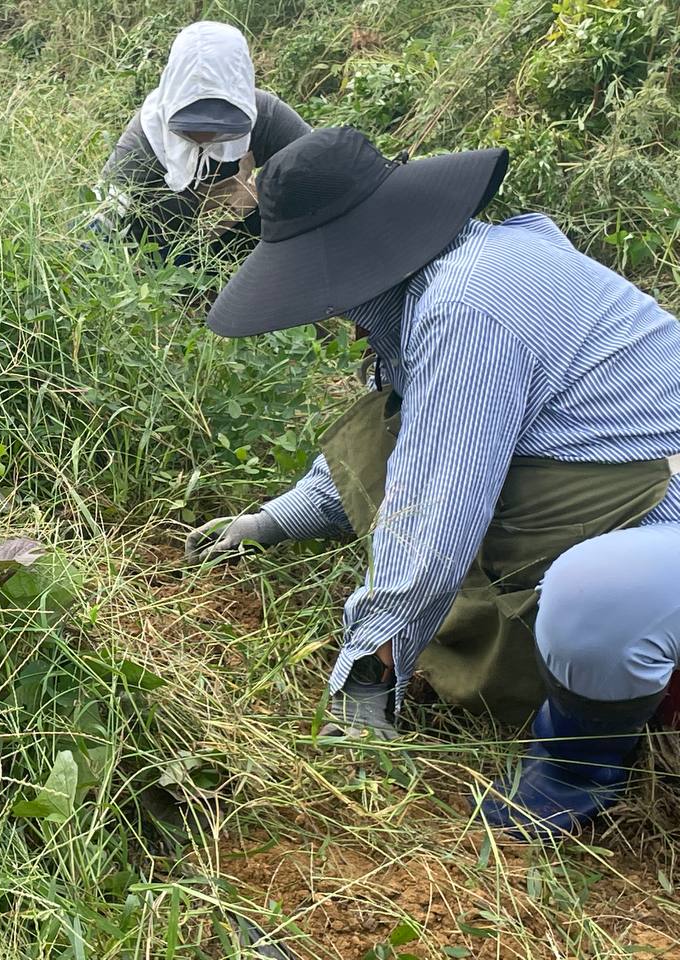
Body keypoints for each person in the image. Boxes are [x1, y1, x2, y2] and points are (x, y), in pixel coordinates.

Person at [186, 125, 680, 838]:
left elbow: (432, 512)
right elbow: (405, 448)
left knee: (598, 600)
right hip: (616, 503)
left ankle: (578, 770)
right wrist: (269, 522)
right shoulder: (455, 274)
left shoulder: (470, 304)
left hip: (660, 527)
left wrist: (368, 670)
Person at [90, 21, 311, 266]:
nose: (207, 138)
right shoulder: (145, 136)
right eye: (193, 129)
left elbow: (322, 162)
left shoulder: (265, 114)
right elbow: (102, 216)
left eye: (220, 130)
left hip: (235, 237)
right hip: (162, 254)